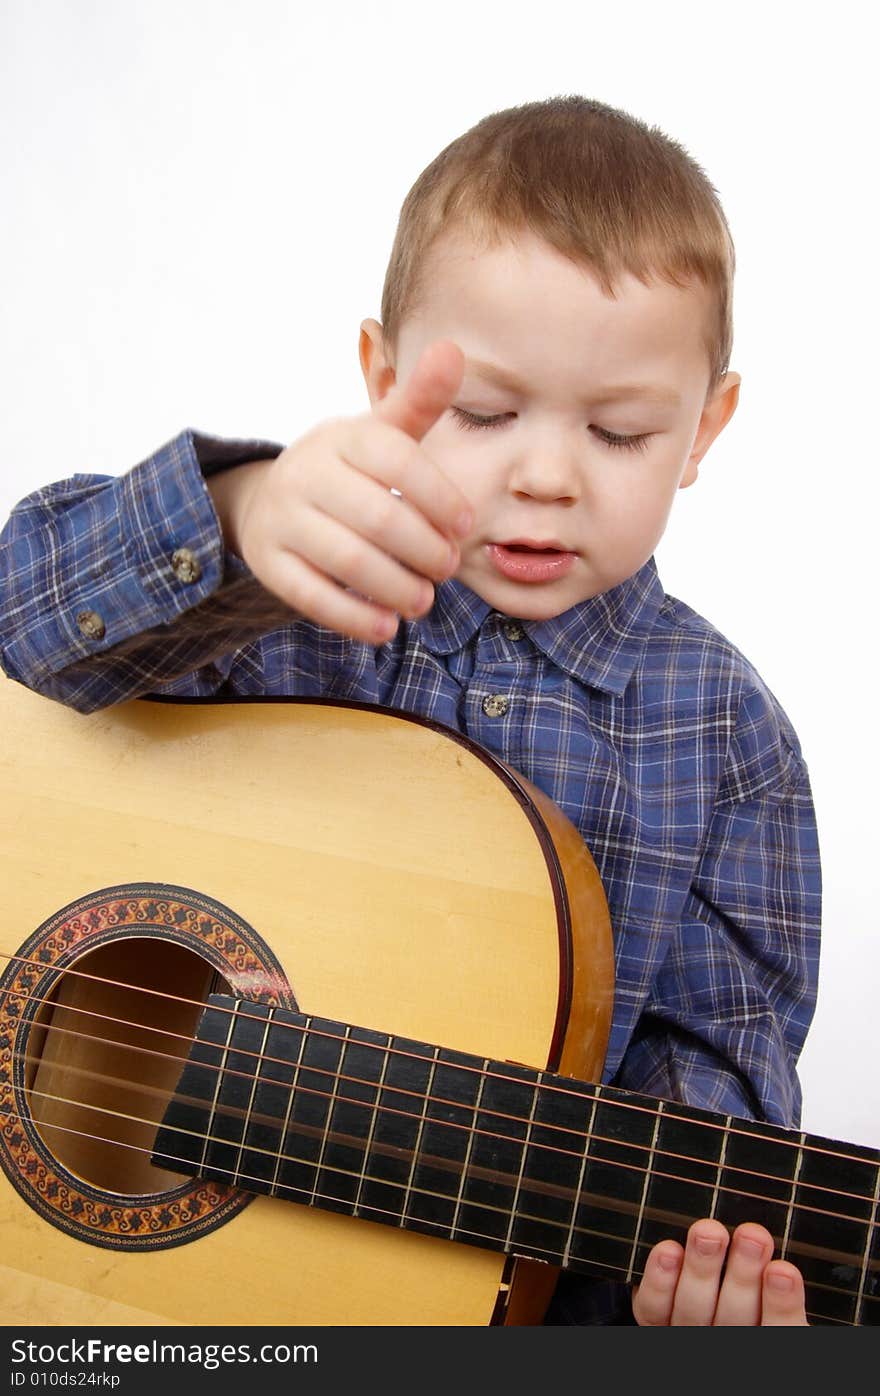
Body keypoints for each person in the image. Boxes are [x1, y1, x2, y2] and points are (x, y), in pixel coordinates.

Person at [0, 96, 819, 1325]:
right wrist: (238, 518)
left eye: (620, 430)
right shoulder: (275, 590)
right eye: (485, 415)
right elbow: (27, 622)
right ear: (383, 374)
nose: (544, 474)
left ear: (704, 428)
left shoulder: (726, 738)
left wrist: (689, 1289)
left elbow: (709, 1106)